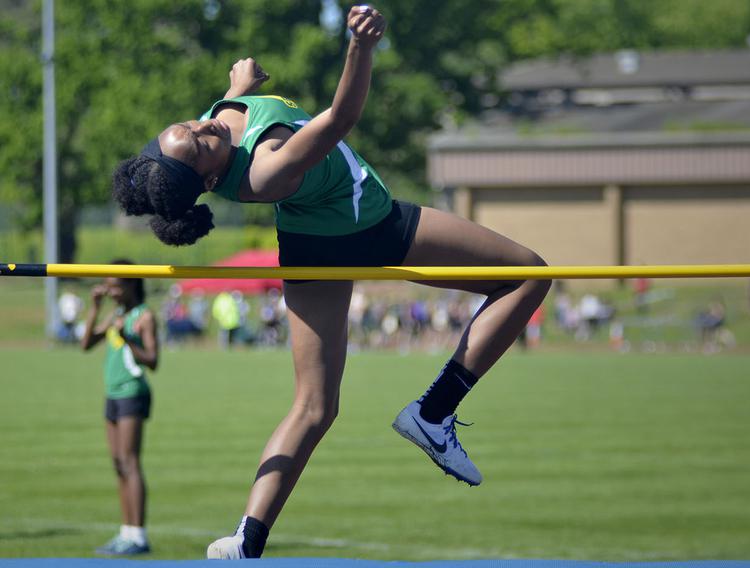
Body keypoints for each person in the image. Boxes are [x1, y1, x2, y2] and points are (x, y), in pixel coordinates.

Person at [111, 6, 549, 560]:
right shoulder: (264, 171)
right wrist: (360, 48)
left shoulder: (213, 126)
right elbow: (340, 118)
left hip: (309, 247)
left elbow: (226, 110)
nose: (204, 126)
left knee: (314, 406)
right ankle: (435, 412)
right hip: (370, 227)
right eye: (199, 143)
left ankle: (246, 540)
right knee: (528, 275)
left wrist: (238, 88)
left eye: (190, 125)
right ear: (209, 178)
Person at [80, 259, 159, 556]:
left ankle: (138, 535)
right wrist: (94, 308)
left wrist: (127, 338)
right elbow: (86, 344)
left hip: (132, 392)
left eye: (115, 285)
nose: (111, 290)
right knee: (117, 463)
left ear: (130, 285)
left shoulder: (143, 317)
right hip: (112, 393)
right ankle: (125, 532)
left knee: (130, 461)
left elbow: (153, 360)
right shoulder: (117, 313)